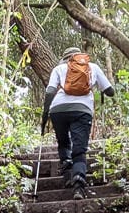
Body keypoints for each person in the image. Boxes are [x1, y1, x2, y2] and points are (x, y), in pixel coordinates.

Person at [43, 47, 114, 198]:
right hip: (82, 110)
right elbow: (110, 91)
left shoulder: (59, 68)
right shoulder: (92, 67)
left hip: (58, 110)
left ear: (65, 59)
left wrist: (45, 113)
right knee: (79, 149)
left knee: (63, 143)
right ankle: (78, 185)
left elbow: (49, 91)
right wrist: (100, 88)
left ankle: (68, 172)